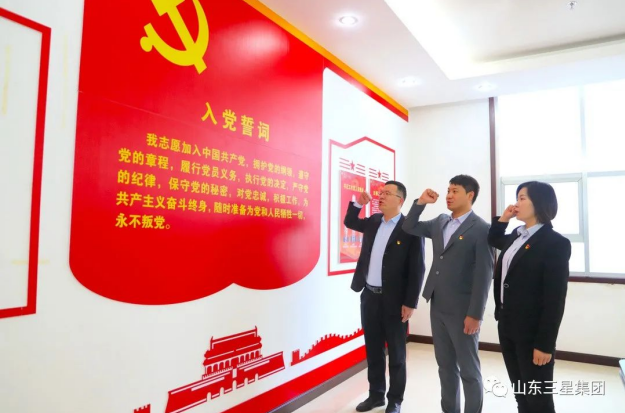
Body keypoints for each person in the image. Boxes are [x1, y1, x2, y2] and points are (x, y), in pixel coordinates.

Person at [402, 174, 494, 413]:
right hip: (438, 304)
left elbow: (484, 275)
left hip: (464, 310)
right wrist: (420, 203)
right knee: (445, 367)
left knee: (469, 371)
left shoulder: (482, 229)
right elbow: (409, 226)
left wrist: (476, 314)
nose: (449, 195)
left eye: (455, 191)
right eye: (448, 190)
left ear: (470, 195)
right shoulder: (440, 221)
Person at [488, 181, 570, 413]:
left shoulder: (555, 243)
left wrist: (545, 344)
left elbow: (555, 299)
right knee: (521, 393)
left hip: (532, 332)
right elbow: (493, 239)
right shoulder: (517, 235)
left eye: (522, 198)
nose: (516, 203)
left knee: (538, 398)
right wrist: (504, 218)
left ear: (539, 203)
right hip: (506, 324)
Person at [344, 180, 425, 413]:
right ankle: (376, 395)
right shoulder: (373, 221)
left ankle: (395, 400)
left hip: (396, 301)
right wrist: (357, 205)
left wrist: (410, 302)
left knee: (397, 354)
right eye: (381, 192)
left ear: (400, 200)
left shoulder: (410, 228)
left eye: (387, 193)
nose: (381, 196)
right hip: (370, 296)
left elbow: (417, 268)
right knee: (373, 349)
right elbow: (350, 222)